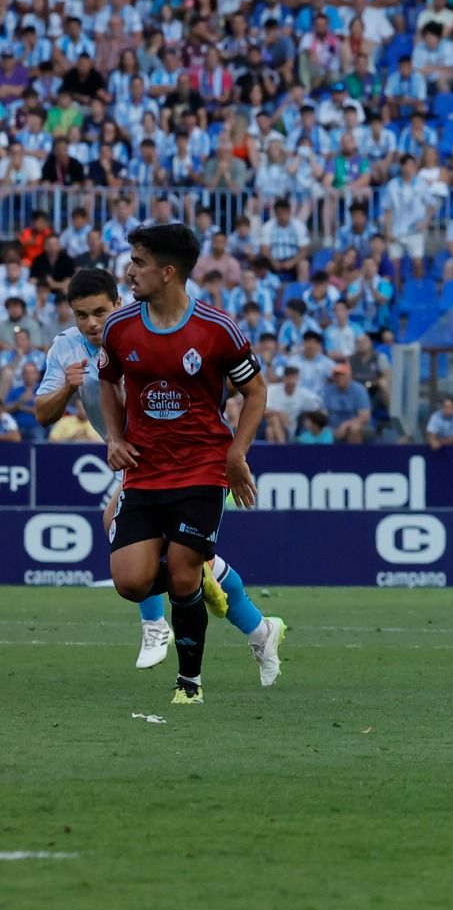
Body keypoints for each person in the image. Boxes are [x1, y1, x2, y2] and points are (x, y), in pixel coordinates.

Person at [35, 267, 286, 673]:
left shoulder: (143, 328)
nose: (92, 323)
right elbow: (42, 412)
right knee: (187, 563)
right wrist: (66, 387)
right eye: (82, 315)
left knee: (123, 530)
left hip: (188, 459)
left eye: (100, 311)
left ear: (119, 303)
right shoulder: (66, 348)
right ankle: (259, 630)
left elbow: (227, 383)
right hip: (137, 461)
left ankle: (155, 624)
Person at [96, 229, 283, 704]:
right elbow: (108, 382)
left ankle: (190, 685)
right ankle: (208, 571)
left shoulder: (216, 329)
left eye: (137, 262)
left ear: (168, 272)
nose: (129, 271)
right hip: (144, 470)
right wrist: (115, 438)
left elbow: (256, 392)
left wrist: (236, 453)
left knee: (181, 574)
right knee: (130, 581)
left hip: (202, 469)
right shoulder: (120, 328)